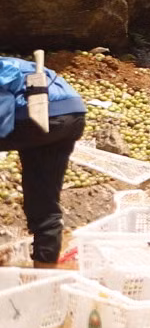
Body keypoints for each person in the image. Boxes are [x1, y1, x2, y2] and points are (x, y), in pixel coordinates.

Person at [1, 54, 86, 266]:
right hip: (72, 114)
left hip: (38, 113)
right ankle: (44, 271)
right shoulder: (14, 65)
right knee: (43, 197)